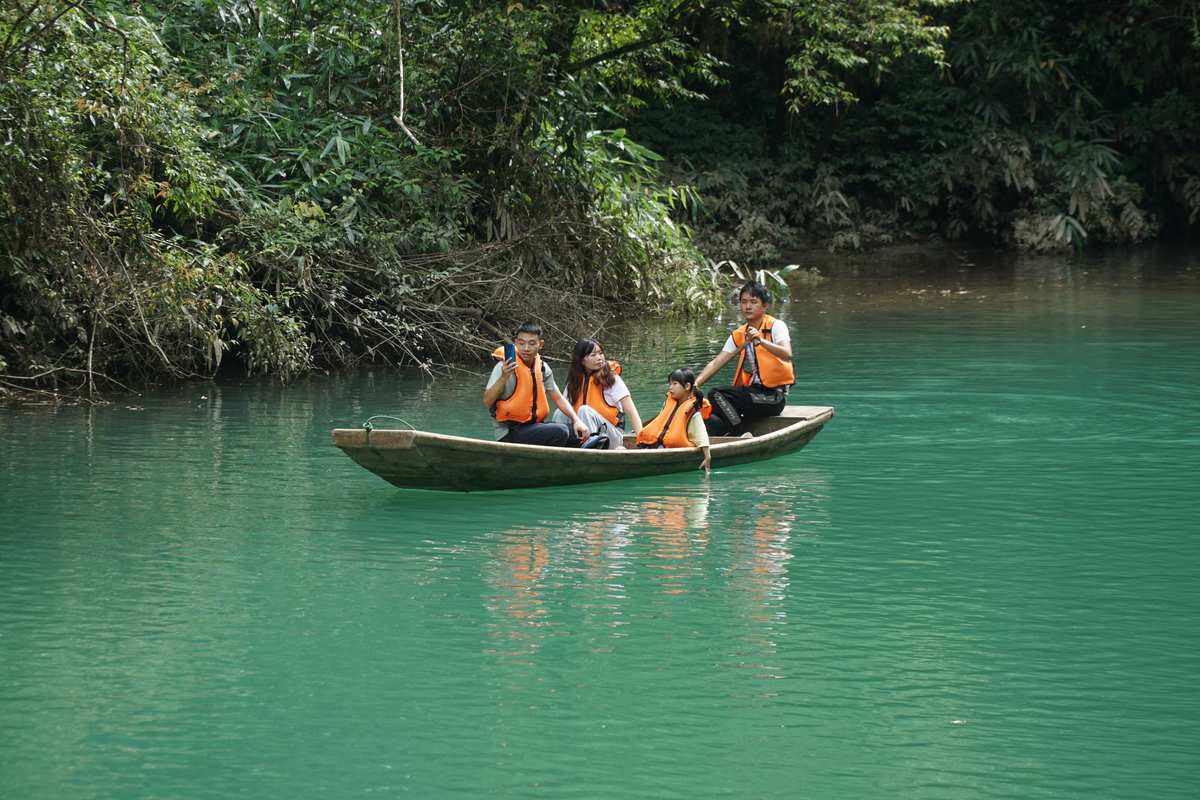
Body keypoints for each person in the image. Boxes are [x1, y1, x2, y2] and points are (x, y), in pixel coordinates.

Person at [694, 280, 794, 436]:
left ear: (765, 305)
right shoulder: (740, 334)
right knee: (710, 416)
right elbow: (716, 362)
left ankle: (740, 434)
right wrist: (694, 385)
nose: (748, 306)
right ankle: (725, 434)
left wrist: (762, 341)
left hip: (773, 396)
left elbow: (787, 354)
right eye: (744, 302)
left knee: (716, 394)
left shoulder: (776, 326)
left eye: (753, 302)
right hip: (754, 392)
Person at [483, 322, 590, 446]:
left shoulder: (543, 368)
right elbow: (487, 401)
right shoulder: (503, 367)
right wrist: (504, 377)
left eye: (532, 343)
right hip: (510, 432)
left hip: (534, 426)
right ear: (516, 343)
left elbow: (558, 398)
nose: (526, 348)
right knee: (561, 431)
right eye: (521, 343)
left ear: (541, 344)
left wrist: (577, 420)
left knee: (576, 433)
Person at [553, 339, 644, 449]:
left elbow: (632, 412)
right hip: (582, 434)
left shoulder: (612, 379)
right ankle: (558, 448)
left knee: (585, 410)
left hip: (611, 436)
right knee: (560, 412)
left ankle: (591, 450)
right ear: (582, 360)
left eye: (601, 353)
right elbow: (564, 406)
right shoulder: (574, 382)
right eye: (593, 355)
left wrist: (642, 442)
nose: (599, 358)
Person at [636, 367, 712, 475]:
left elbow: (701, 435)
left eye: (674, 384)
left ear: (687, 386)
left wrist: (707, 456)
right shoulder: (668, 403)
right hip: (654, 446)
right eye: (670, 384)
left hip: (669, 450)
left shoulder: (692, 412)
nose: (670, 388)